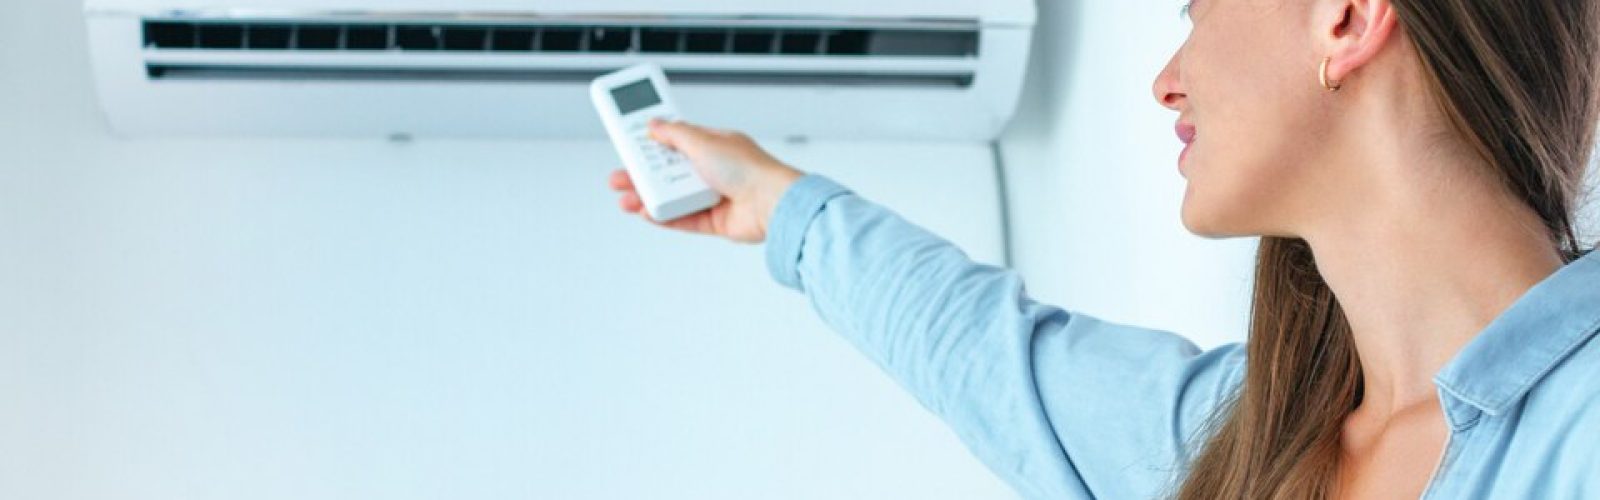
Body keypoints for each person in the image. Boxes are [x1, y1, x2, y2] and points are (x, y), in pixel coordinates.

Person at [605, 0, 1600, 498]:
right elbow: (988, 354)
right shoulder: (1243, 433)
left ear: (1342, 18)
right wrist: (780, 204)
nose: (1168, 80)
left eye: (1196, 8)